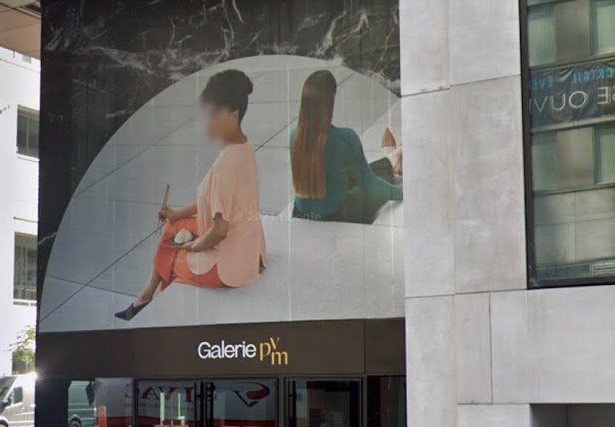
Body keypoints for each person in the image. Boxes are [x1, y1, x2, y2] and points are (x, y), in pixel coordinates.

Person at [116, 69, 266, 321]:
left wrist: (193, 247)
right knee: (174, 226)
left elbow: (219, 231)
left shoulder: (225, 164)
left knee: (169, 253)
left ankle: (146, 301)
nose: (208, 121)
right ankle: (145, 296)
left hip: (229, 264)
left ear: (233, 114)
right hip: (248, 246)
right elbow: (214, 200)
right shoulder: (244, 146)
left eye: (214, 114)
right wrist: (177, 214)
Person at [290, 69, 403, 225]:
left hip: (299, 213)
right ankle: (393, 161)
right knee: (371, 182)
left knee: (352, 171)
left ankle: (391, 159)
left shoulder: (294, 136)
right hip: (336, 215)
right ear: (331, 99)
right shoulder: (344, 137)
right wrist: (403, 192)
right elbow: (370, 184)